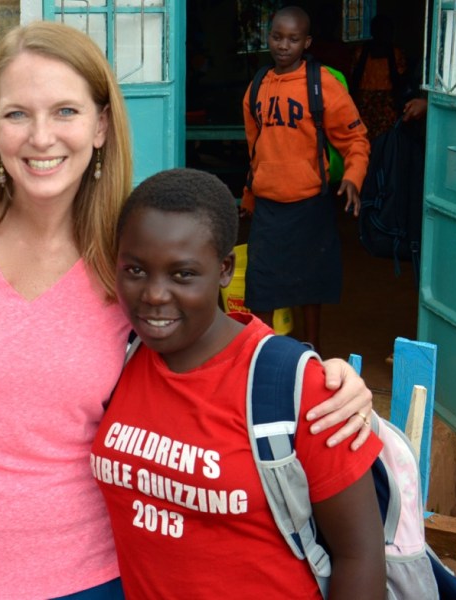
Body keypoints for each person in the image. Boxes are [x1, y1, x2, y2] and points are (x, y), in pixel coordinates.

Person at [0, 20, 376, 600]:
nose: (41, 136)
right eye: (16, 114)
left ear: (100, 126)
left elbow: (221, 354)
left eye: (65, 111)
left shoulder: (133, 259)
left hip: (99, 574)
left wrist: (319, 378)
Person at [97, 167, 385, 598]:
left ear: (225, 269)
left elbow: (360, 555)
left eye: (182, 274)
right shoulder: (116, 361)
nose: (154, 294)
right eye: (135, 270)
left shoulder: (297, 388)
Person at [241, 6, 370, 351]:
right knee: (261, 286)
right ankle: (263, 352)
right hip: (268, 207)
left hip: (310, 203)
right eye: (277, 37)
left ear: (306, 42)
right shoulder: (257, 86)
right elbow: (255, 150)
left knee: (310, 286)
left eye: (293, 39)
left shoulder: (321, 83)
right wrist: (249, 194)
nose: (283, 45)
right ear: (268, 37)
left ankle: (311, 350)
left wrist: (354, 177)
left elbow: (356, 139)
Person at [350, 14, 408, 139]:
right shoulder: (361, 51)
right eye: (379, 30)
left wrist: (390, 54)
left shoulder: (396, 53)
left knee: (386, 139)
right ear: (373, 31)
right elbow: (354, 80)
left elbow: (398, 83)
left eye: (386, 31)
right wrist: (365, 52)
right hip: (365, 101)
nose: (382, 35)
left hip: (388, 102)